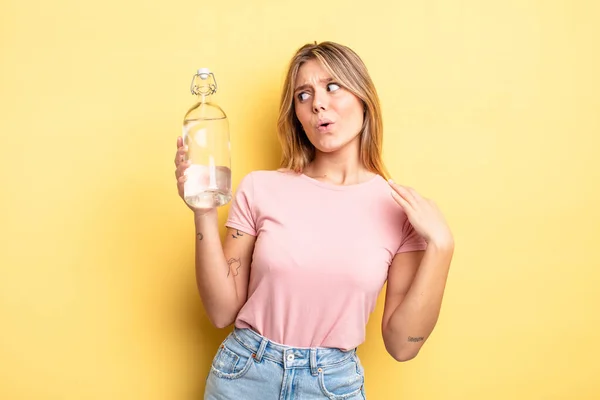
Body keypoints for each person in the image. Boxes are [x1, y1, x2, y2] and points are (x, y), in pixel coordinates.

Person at [174, 41, 454, 399]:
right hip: (243, 376)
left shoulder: (400, 209)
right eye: (303, 95)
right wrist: (203, 212)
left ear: (363, 97)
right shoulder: (261, 188)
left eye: (332, 86)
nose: (317, 102)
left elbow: (403, 346)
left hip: (330, 386)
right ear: (296, 115)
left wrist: (442, 248)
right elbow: (220, 311)